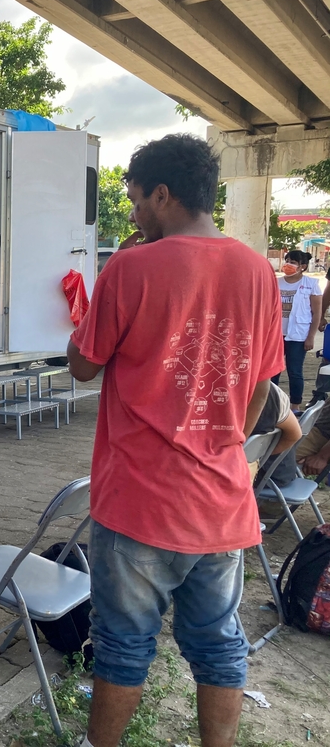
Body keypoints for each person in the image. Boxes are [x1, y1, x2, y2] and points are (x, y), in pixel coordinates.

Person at [67, 134, 283, 747]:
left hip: (139, 501)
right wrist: (223, 445)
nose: (132, 215)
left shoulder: (130, 267)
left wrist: (109, 285)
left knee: (122, 647)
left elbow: (82, 366)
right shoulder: (258, 270)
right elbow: (263, 385)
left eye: (135, 201)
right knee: (219, 645)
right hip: (221, 503)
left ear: (162, 194)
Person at [273, 250, 320, 412]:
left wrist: (311, 337)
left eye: (293, 262)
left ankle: (295, 406)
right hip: (276, 335)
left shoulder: (311, 284)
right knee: (273, 371)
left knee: (294, 371)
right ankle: (272, 405)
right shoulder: (276, 283)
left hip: (298, 335)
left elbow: (317, 313)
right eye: (287, 260)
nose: (288, 264)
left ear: (303, 266)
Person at [247, 382, 302, 488]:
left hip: (270, 475)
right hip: (277, 471)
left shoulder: (267, 393)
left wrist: (260, 456)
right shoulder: (273, 391)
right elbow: (296, 433)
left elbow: (295, 434)